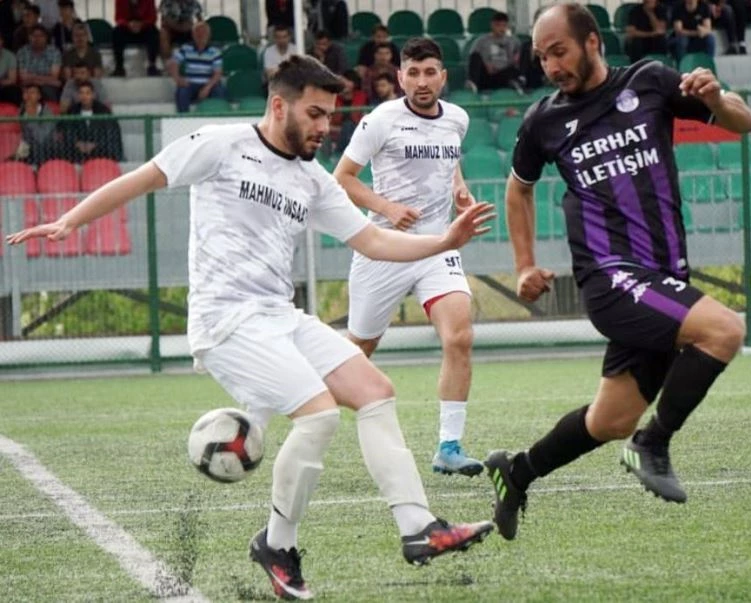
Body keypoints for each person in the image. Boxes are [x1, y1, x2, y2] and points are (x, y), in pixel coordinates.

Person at [6, 54, 494, 601]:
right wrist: (69, 220)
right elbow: (142, 180)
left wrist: (443, 242)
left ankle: (418, 528)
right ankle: (277, 545)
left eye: (329, 116)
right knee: (319, 415)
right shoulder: (220, 144)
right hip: (224, 321)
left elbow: (373, 240)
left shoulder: (312, 179)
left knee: (375, 391)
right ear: (279, 106)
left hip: (279, 316)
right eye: (314, 114)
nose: (323, 127)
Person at [484, 3, 751, 541]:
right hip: (611, 277)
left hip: (662, 277)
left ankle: (515, 473)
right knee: (725, 329)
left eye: (559, 51)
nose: (551, 66)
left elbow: (742, 122)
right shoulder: (544, 121)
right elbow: (519, 189)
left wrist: (715, 99)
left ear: (592, 42)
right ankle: (652, 444)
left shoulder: (649, 81)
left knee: (609, 420)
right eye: (542, 57)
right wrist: (523, 265)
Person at [334, 38, 485, 478]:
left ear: (443, 77)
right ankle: (303, 408)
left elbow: (449, 163)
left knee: (459, 336)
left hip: (437, 245)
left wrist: (459, 189)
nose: (422, 81)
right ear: (400, 77)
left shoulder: (457, 119)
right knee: (358, 350)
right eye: (413, 73)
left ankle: (449, 447)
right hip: (385, 248)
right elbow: (342, 178)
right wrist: (387, 208)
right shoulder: (380, 120)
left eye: (430, 72)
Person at [167, 20, 224, 113]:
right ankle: (183, 119)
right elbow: (173, 63)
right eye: (198, 33)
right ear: (193, 35)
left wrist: (207, 88)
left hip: (208, 83)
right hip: (190, 84)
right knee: (181, 92)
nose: (200, 36)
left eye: (203, 33)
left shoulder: (215, 51)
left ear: (208, 35)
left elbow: (217, 74)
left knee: (219, 91)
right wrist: (177, 79)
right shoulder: (186, 48)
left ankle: (217, 118)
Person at [64, 81, 122, 162]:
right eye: (81, 93)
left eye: (87, 93)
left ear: (93, 95)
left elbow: (110, 131)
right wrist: (77, 143)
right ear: (78, 95)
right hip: (78, 150)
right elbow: (67, 130)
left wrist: (95, 144)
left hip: (100, 149)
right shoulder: (72, 111)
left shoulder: (103, 111)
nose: (84, 96)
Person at [466, 11, 523, 93]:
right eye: (498, 25)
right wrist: (486, 63)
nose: (501, 29)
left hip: (504, 74)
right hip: (486, 75)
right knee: (475, 56)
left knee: (513, 69)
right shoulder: (481, 41)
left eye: (504, 26)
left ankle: (517, 84)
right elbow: (473, 58)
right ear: (492, 25)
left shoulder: (514, 41)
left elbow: (517, 59)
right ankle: (473, 84)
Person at [16, 82, 62, 165]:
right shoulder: (22, 110)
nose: (29, 96)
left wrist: (31, 118)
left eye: (32, 92)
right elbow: (24, 135)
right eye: (26, 93)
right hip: (29, 147)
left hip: (47, 148)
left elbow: (41, 137)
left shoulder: (47, 113)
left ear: (39, 96)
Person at [112, 0, 161, 77]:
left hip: (144, 28)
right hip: (127, 28)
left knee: (153, 32)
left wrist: (142, 24)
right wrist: (128, 25)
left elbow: (152, 18)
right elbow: (118, 18)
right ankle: (119, 67)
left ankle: (152, 65)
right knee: (117, 32)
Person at [17, 24, 62, 101]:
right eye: (34, 36)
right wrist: (39, 80)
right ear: (29, 37)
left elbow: (54, 76)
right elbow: (23, 77)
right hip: (28, 85)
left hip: (47, 85)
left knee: (49, 91)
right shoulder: (22, 52)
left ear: (46, 37)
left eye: (41, 36)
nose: (37, 39)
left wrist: (34, 79)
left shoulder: (54, 52)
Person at [329, 68, 367, 152]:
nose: (345, 83)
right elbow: (328, 125)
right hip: (335, 136)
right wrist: (342, 130)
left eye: (348, 81)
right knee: (347, 126)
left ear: (355, 83)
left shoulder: (362, 96)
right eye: (343, 81)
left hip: (357, 133)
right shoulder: (332, 98)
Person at [0, 32, 20, 106]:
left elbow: (12, 79)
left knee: (14, 91)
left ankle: (15, 112)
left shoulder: (10, 56)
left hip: (2, 85)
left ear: (2, 41)